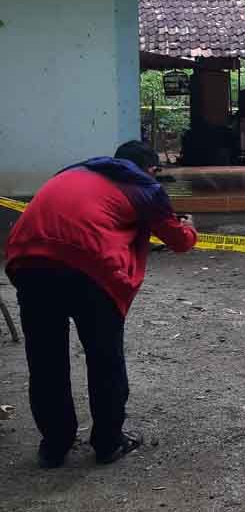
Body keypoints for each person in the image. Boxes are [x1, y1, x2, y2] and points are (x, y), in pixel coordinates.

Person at [5, 141, 197, 468]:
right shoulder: (144, 187)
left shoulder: (74, 171)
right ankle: (108, 442)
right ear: (150, 168)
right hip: (89, 267)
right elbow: (178, 241)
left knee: (45, 358)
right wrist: (190, 228)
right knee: (103, 355)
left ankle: (54, 446)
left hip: (29, 261)